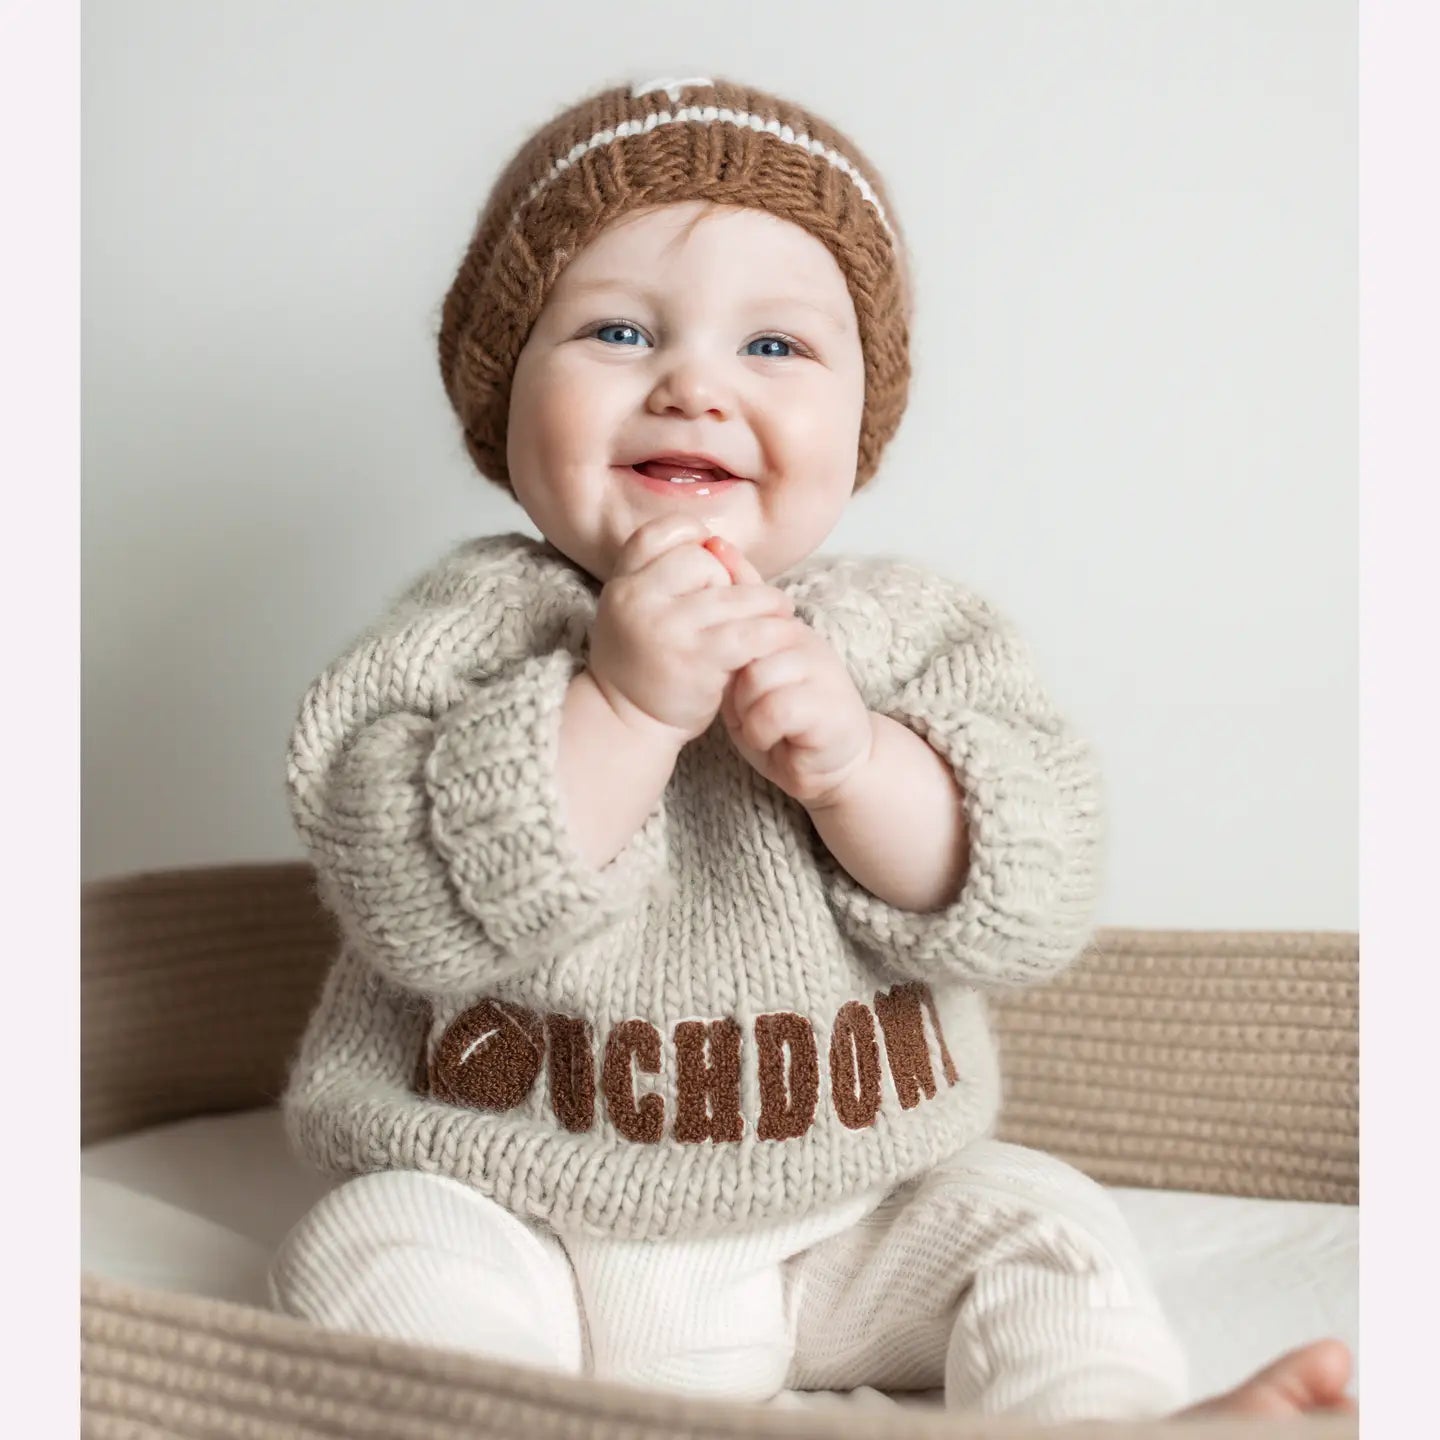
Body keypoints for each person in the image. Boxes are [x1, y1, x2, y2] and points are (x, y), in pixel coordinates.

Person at [270, 77, 1355, 1422]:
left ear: (861, 424)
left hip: (845, 1223)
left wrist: (863, 767)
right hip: (512, 1205)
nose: (694, 386)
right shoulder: (464, 632)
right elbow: (405, 894)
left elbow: (1033, 891)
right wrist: (621, 708)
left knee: (1040, 1221)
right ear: (503, 399)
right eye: (618, 331)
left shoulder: (906, 636)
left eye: (774, 346)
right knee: (371, 1251)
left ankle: (1098, 1417)